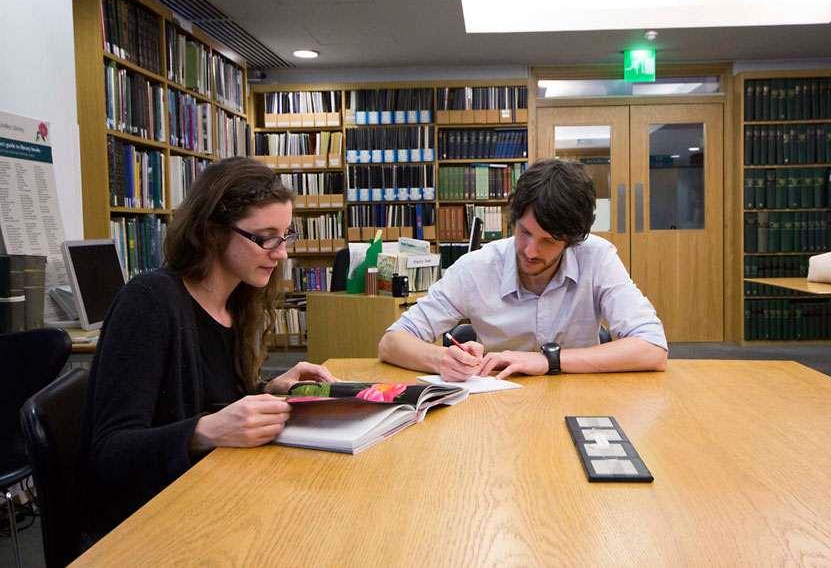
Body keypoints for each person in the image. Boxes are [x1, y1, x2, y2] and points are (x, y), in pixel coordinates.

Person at [79, 157, 336, 545]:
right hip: (146, 523)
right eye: (265, 237)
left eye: (285, 235)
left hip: (209, 497)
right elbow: (109, 453)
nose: (281, 253)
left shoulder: (236, 303)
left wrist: (267, 390)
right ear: (212, 232)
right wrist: (204, 432)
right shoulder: (149, 302)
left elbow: (211, 398)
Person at [378, 159, 667, 381]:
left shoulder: (597, 257)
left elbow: (652, 348)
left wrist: (548, 361)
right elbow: (391, 342)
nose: (530, 251)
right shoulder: (476, 268)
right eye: (525, 232)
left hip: (580, 399)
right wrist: (441, 359)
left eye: (548, 241)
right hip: (498, 407)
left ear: (571, 241)